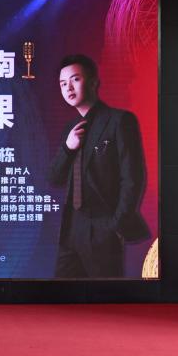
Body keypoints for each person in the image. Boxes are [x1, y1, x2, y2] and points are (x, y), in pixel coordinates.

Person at [48, 54, 149, 278]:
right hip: (71, 228)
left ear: (94, 82)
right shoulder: (70, 129)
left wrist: (115, 225)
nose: (68, 88)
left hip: (103, 227)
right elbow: (54, 178)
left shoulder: (119, 121)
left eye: (75, 79)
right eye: (63, 84)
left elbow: (133, 178)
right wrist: (67, 148)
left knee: (105, 295)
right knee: (61, 294)